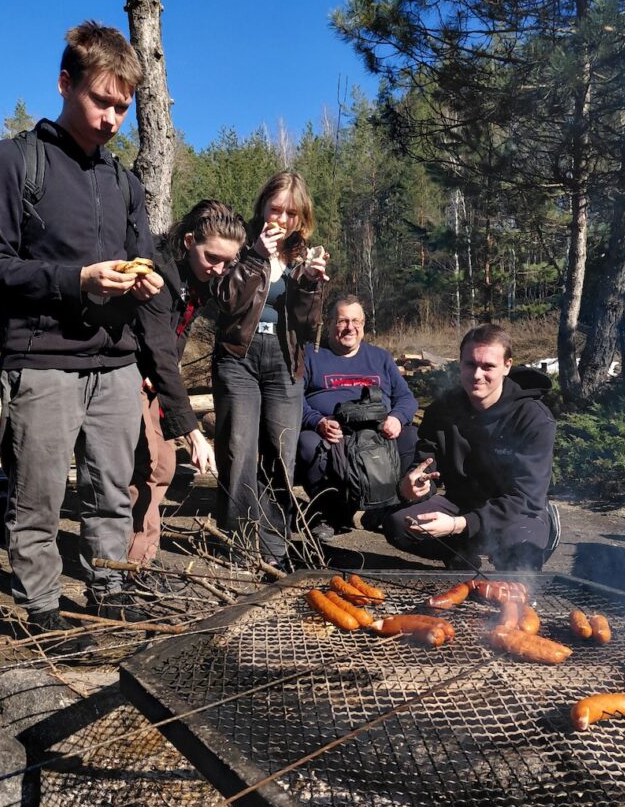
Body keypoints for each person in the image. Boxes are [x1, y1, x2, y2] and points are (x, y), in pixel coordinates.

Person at [0, 21, 164, 632]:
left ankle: (106, 589)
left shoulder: (124, 181)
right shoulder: (16, 161)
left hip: (114, 364)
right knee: (38, 498)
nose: (112, 118)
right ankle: (42, 609)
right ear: (65, 83)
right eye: (101, 100)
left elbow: (146, 257)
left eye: (123, 107)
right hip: (41, 358)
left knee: (113, 491)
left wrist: (148, 279)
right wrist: (76, 280)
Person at [212, 171, 328, 569]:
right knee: (239, 452)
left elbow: (309, 325)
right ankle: (242, 550)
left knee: (281, 455)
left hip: (284, 359)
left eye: (290, 213)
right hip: (239, 356)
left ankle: (275, 550)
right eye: (275, 208)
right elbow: (226, 303)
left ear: (301, 217)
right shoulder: (240, 242)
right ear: (262, 205)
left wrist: (311, 284)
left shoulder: (303, 255)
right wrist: (257, 256)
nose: (281, 219)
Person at [129, 200, 247, 565]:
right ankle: (130, 563)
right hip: (127, 375)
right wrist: (194, 433)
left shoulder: (198, 279)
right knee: (148, 466)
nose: (220, 269)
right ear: (189, 241)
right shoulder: (159, 276)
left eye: (228, 261)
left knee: (161, 465)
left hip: (152, 378)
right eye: (213, 258)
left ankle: (141, 557)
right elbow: (161, 355)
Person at [384, 323, 557, 570]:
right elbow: (425, 466)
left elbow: (526, 499)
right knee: (399, 524)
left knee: (521, 559)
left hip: (516, 512)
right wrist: (414, 486)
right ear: (460, 364)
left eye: (488, 366)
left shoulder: (533, 418)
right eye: (470, 364)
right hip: (460, 503)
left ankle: (541, 535)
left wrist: (458, 525)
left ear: (507, 366)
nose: (477, 375)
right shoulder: (442, 410)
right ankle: (462, 554)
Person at [297, 295, 418, 538]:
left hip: (377, 430)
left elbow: (406, 399)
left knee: (411, 440)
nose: (349, 327)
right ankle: (330, 514)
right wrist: (317, 422)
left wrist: (396, 418)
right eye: (342, 321)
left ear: (363, 324)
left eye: (355, 321)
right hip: (333, 430)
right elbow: (293, 398)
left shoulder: (380, 357)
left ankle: (387, 507)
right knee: (308, 445)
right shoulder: (310, 355)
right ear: (329, 323)